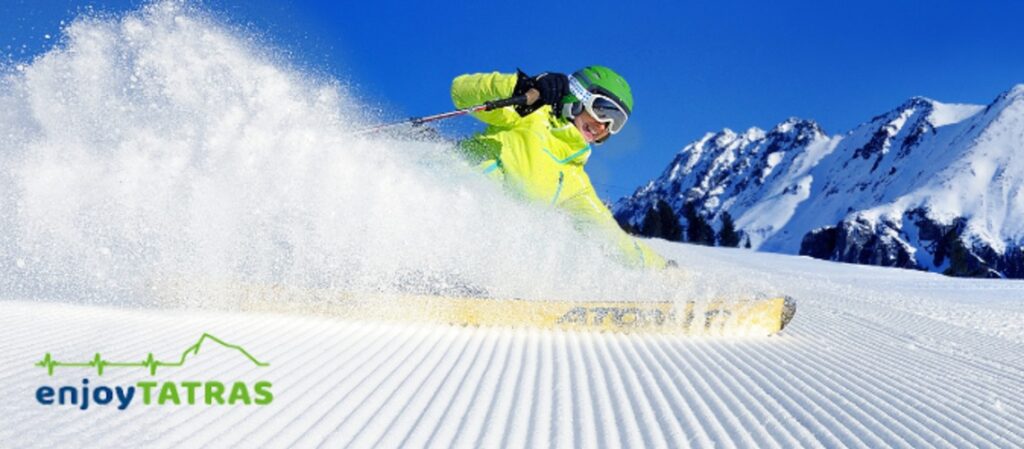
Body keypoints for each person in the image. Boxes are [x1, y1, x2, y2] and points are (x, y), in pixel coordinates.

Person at [451, 66, 668, 269]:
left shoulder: (574, 182)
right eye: (602, 111)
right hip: (446, 195)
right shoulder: (528, 114)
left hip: (474, 248)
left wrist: (663, 270)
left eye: (616, 122)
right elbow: (461, 92)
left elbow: (611, 238)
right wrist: (523, 88)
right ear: (578, 96)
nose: (604, 126)